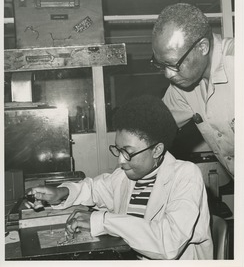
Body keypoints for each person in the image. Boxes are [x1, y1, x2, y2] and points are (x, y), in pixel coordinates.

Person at [26, 95, 213, 260]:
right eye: (118, 149)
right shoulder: (125, 176)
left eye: (128, 152)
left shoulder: (186, 175)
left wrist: (102, 221)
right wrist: (61, 192)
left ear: (157, 150)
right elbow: (94, 188)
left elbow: (168, 244)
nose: (121, 160)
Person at [151, 3, 234, 178]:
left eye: (173, 64)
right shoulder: (182, 85)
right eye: (161, 65)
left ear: (202, 47)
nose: (168, 74)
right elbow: (151, 131)